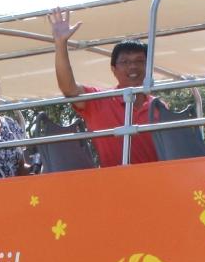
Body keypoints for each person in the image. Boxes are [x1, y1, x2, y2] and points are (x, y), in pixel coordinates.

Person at [49, 9, 160, 167]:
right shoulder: (99, 101)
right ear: (114, 69)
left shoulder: (159, 107)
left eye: (139, 61)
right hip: (114, 185)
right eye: (125, 62)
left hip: (157, 184)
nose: (133, 66)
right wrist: (60, 44)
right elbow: (69, 89)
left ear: (149, 67)